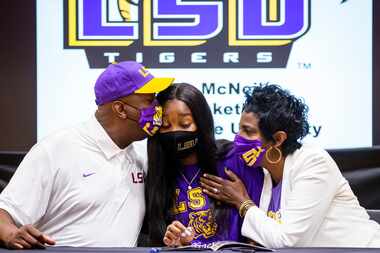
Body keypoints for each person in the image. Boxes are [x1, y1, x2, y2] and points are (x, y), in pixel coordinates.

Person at [0, 61, 173, 249]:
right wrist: (10, 234)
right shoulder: (56, 149)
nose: (157, 108)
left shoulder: (143, 154)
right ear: (120, 109)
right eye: (149, 101)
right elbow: (4, 213)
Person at [200, 84, 380, 248]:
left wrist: (243, 203)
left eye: (248, 131)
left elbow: (289, 243)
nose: (238, 138)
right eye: (239, 129)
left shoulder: (313, 162)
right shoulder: (264, 172)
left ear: (278, 139)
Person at [144, 83, 264, 247]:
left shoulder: (234, 159)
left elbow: (261, 228)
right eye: (165, 126)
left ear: (202, 123)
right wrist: (176, 244)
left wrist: (241, 201)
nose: (175, 132)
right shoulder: (158, 173)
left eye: (185, 124)